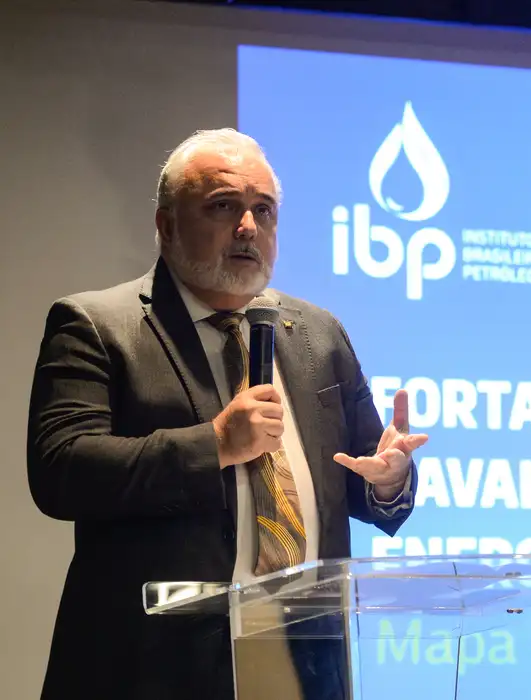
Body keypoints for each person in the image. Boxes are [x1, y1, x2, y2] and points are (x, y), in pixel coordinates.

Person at [26, 128, 425, 700]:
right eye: (223, 207)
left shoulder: (319, 334)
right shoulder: (97, 326)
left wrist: (388, 480)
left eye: (263, 210)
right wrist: (214, 444)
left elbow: (360, 475)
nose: (248, 227)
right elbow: (62, 470)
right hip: (154, 669)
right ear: (166, 225)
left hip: (304, 662)